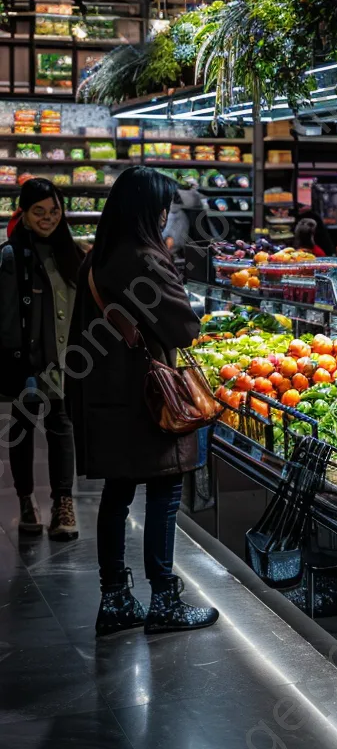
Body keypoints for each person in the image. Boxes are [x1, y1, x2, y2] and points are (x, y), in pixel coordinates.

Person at [66, 166, 219, 637]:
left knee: (117, 495)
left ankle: (115, 599)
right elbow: (185, 329)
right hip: (147, 399)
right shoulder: (145, 259)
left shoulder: (97, 258)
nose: (166, 214)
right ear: (149, 210)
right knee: (165, 490)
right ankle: (165, 601)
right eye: (163, 206)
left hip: (105, 397)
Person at [0, 178, 82, 539]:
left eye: (54, 211)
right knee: (22, 426)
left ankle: (64, 503)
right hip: (23, 359)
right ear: (25, 212)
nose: (48, 218)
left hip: (64, 359)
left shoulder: (72, 252)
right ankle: (26, 500)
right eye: (39, 212)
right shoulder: (11, 254)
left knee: (61, 426)